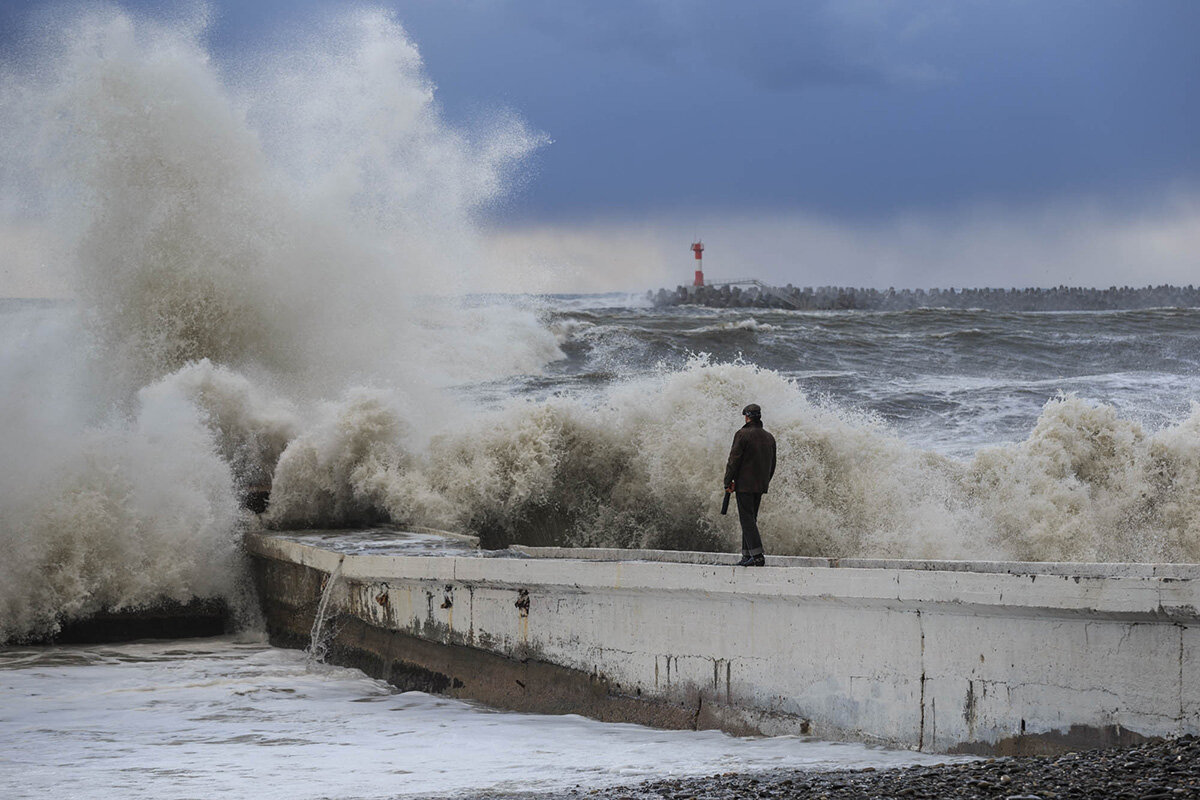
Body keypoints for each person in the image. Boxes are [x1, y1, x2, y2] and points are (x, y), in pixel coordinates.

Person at [724, 403, 776, 567]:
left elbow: (733, 461)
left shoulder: (742, 434)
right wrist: (765, 481)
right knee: (750, 519)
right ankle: (747, 555)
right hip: (760, 484)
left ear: (747, 417)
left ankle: (757, 555)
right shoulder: (769, 437)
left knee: (747, 520)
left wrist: (728, 481)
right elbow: (772, 463)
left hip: (744, 485)